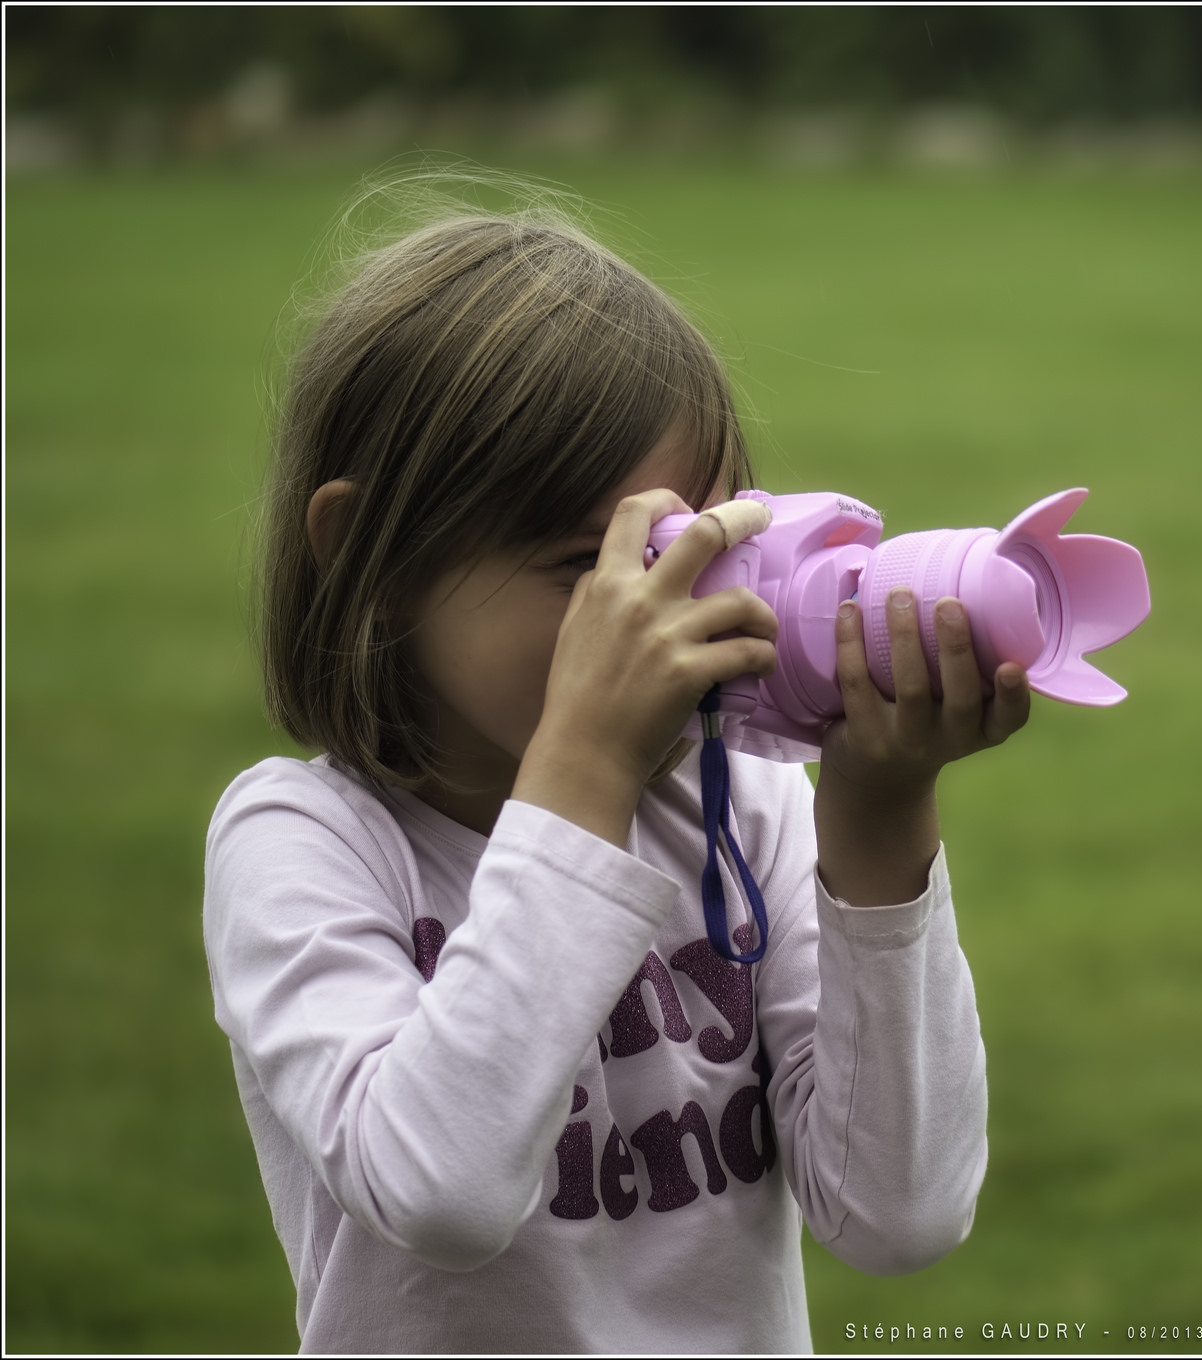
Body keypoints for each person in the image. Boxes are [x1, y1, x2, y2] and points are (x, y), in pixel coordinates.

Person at [202, 179, 1030, 1353]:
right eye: (580, 564)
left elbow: (899, 1212)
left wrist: (878, 814)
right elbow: (441, 1187)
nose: (650, 613)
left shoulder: (746, 805)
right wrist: (581, 769)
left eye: (694, 549)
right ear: (367, 556)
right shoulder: (305, 843)